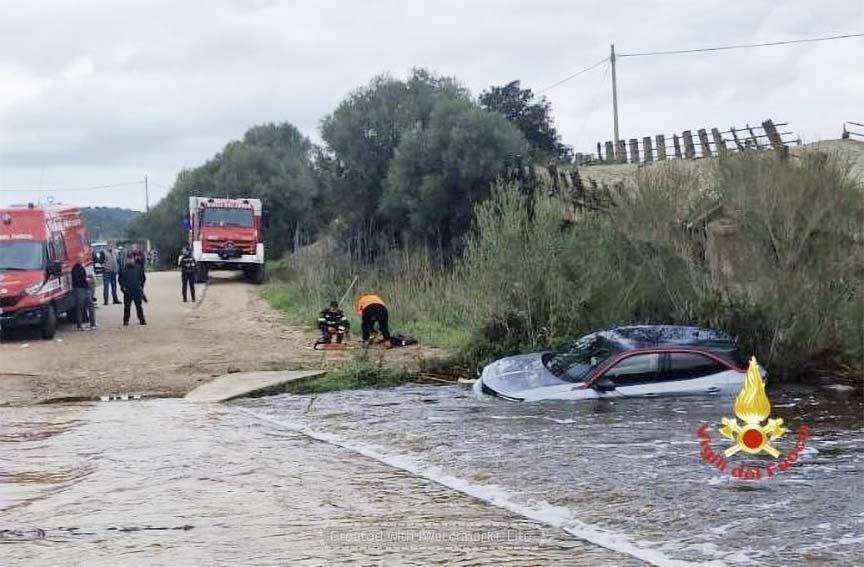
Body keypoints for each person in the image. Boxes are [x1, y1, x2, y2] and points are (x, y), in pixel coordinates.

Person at [119, 255, 146, 326]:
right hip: (127, 290)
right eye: (128, 259)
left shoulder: (138, 267)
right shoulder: (123, 269)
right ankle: (125, 321)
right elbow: (120, 279)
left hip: (137, 290)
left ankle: (142, 320)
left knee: (139, 306)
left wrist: (140, 286)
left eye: (131, 259)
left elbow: (142, 278)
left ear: (134, 259)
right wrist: (122, 287)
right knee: (127, 307)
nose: (130, 261)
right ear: (126, 260)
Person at [71, 254, 96, 330]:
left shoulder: (83, 267)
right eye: (80, 258)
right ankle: (79, 325)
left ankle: (93, 323)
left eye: (82, 258)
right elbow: (77, 280)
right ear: (77, 259)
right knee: (80, 307)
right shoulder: (75, 269)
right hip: (79, 289)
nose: (82, 260)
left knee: (91, 305)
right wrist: (86, 280)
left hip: (86, 288)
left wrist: (88, 279)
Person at [102, 241, 121, 305]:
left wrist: (117, 268)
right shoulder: (103, 252)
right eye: (108, 245)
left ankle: (115, 299)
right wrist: (104, 267)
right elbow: (101, 261)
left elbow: (118, 260)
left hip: (114, 271)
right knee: (106, 286)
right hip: (106, 271)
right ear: (106, 246)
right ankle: (106, 301)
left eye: (111, 245)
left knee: (114, 286)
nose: (110, 247)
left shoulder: (115, 252)